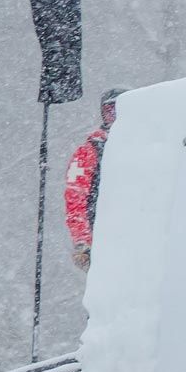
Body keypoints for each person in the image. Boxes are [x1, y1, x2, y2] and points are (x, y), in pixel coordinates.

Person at [64, 89, 124, 271]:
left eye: (119, 111)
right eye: (109, 111)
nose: (114, 117)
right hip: (103, 237)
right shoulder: (89, 151)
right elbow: (74, 197)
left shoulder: (148, 147)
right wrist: (82, 240)